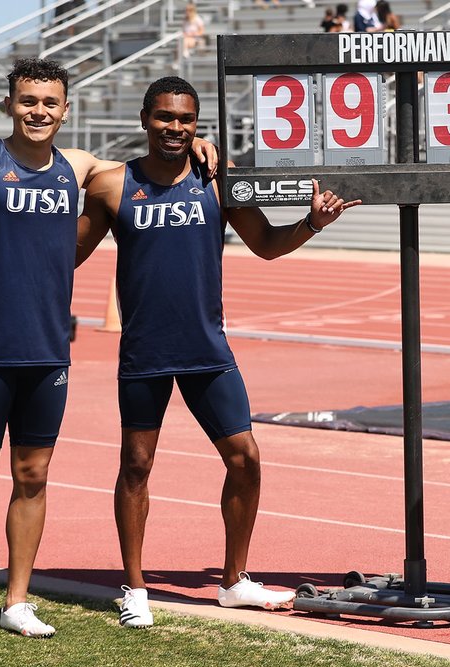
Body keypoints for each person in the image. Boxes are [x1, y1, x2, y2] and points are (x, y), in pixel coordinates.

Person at [0, 58, 216, 645]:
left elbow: (157, 156)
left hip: (49, 351)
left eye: (49, 103)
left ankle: (16, 602)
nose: (38, 112)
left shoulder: (79, 168)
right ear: (9, 104)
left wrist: (201, 143)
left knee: (33, 475)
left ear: (65, 109)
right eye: (27, 101)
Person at [74, 77, 361, 628]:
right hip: (145, 351)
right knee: (136, 464)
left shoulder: (218, 179)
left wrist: (311, 224)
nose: (174, 128)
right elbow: (65, 257)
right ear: (144, 119)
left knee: (245, 457)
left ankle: (233, 581)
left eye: (184, 119)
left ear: (196, 124)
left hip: (207, 347)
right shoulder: (113, 187)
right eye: (164, 117)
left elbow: (267, 245)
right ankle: (134, 587)